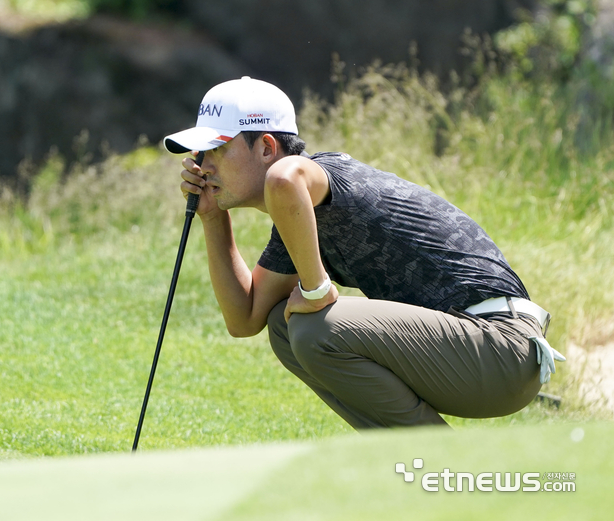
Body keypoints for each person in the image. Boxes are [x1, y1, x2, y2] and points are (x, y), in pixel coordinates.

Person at [163, 76, 565, 429]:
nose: (203, 165)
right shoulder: (295, 219)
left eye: (217, 149)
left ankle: (444, 463)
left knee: (315, 327)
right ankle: (424, 469)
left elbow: (286, 178)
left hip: (503, 347)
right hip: (477, 355)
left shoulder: (311, 175)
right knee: (284, 328)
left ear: (267, 147)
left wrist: (317, 288)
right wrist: (214, 220)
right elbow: (245, 319)